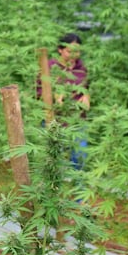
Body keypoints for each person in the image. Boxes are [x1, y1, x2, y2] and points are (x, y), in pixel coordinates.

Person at [37, 32, 90, 169]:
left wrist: (86, 97)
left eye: (77, 51)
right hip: (55, 119)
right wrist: (54, 96)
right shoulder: (49, 67)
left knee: (79, 157)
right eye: (69, 51)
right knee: (54, 160)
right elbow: (38, 91)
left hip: (77, 119)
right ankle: (56, 189)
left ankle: (78, 187)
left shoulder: (81, 68)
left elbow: (86, 87)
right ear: (60, 49)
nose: (73, 55)